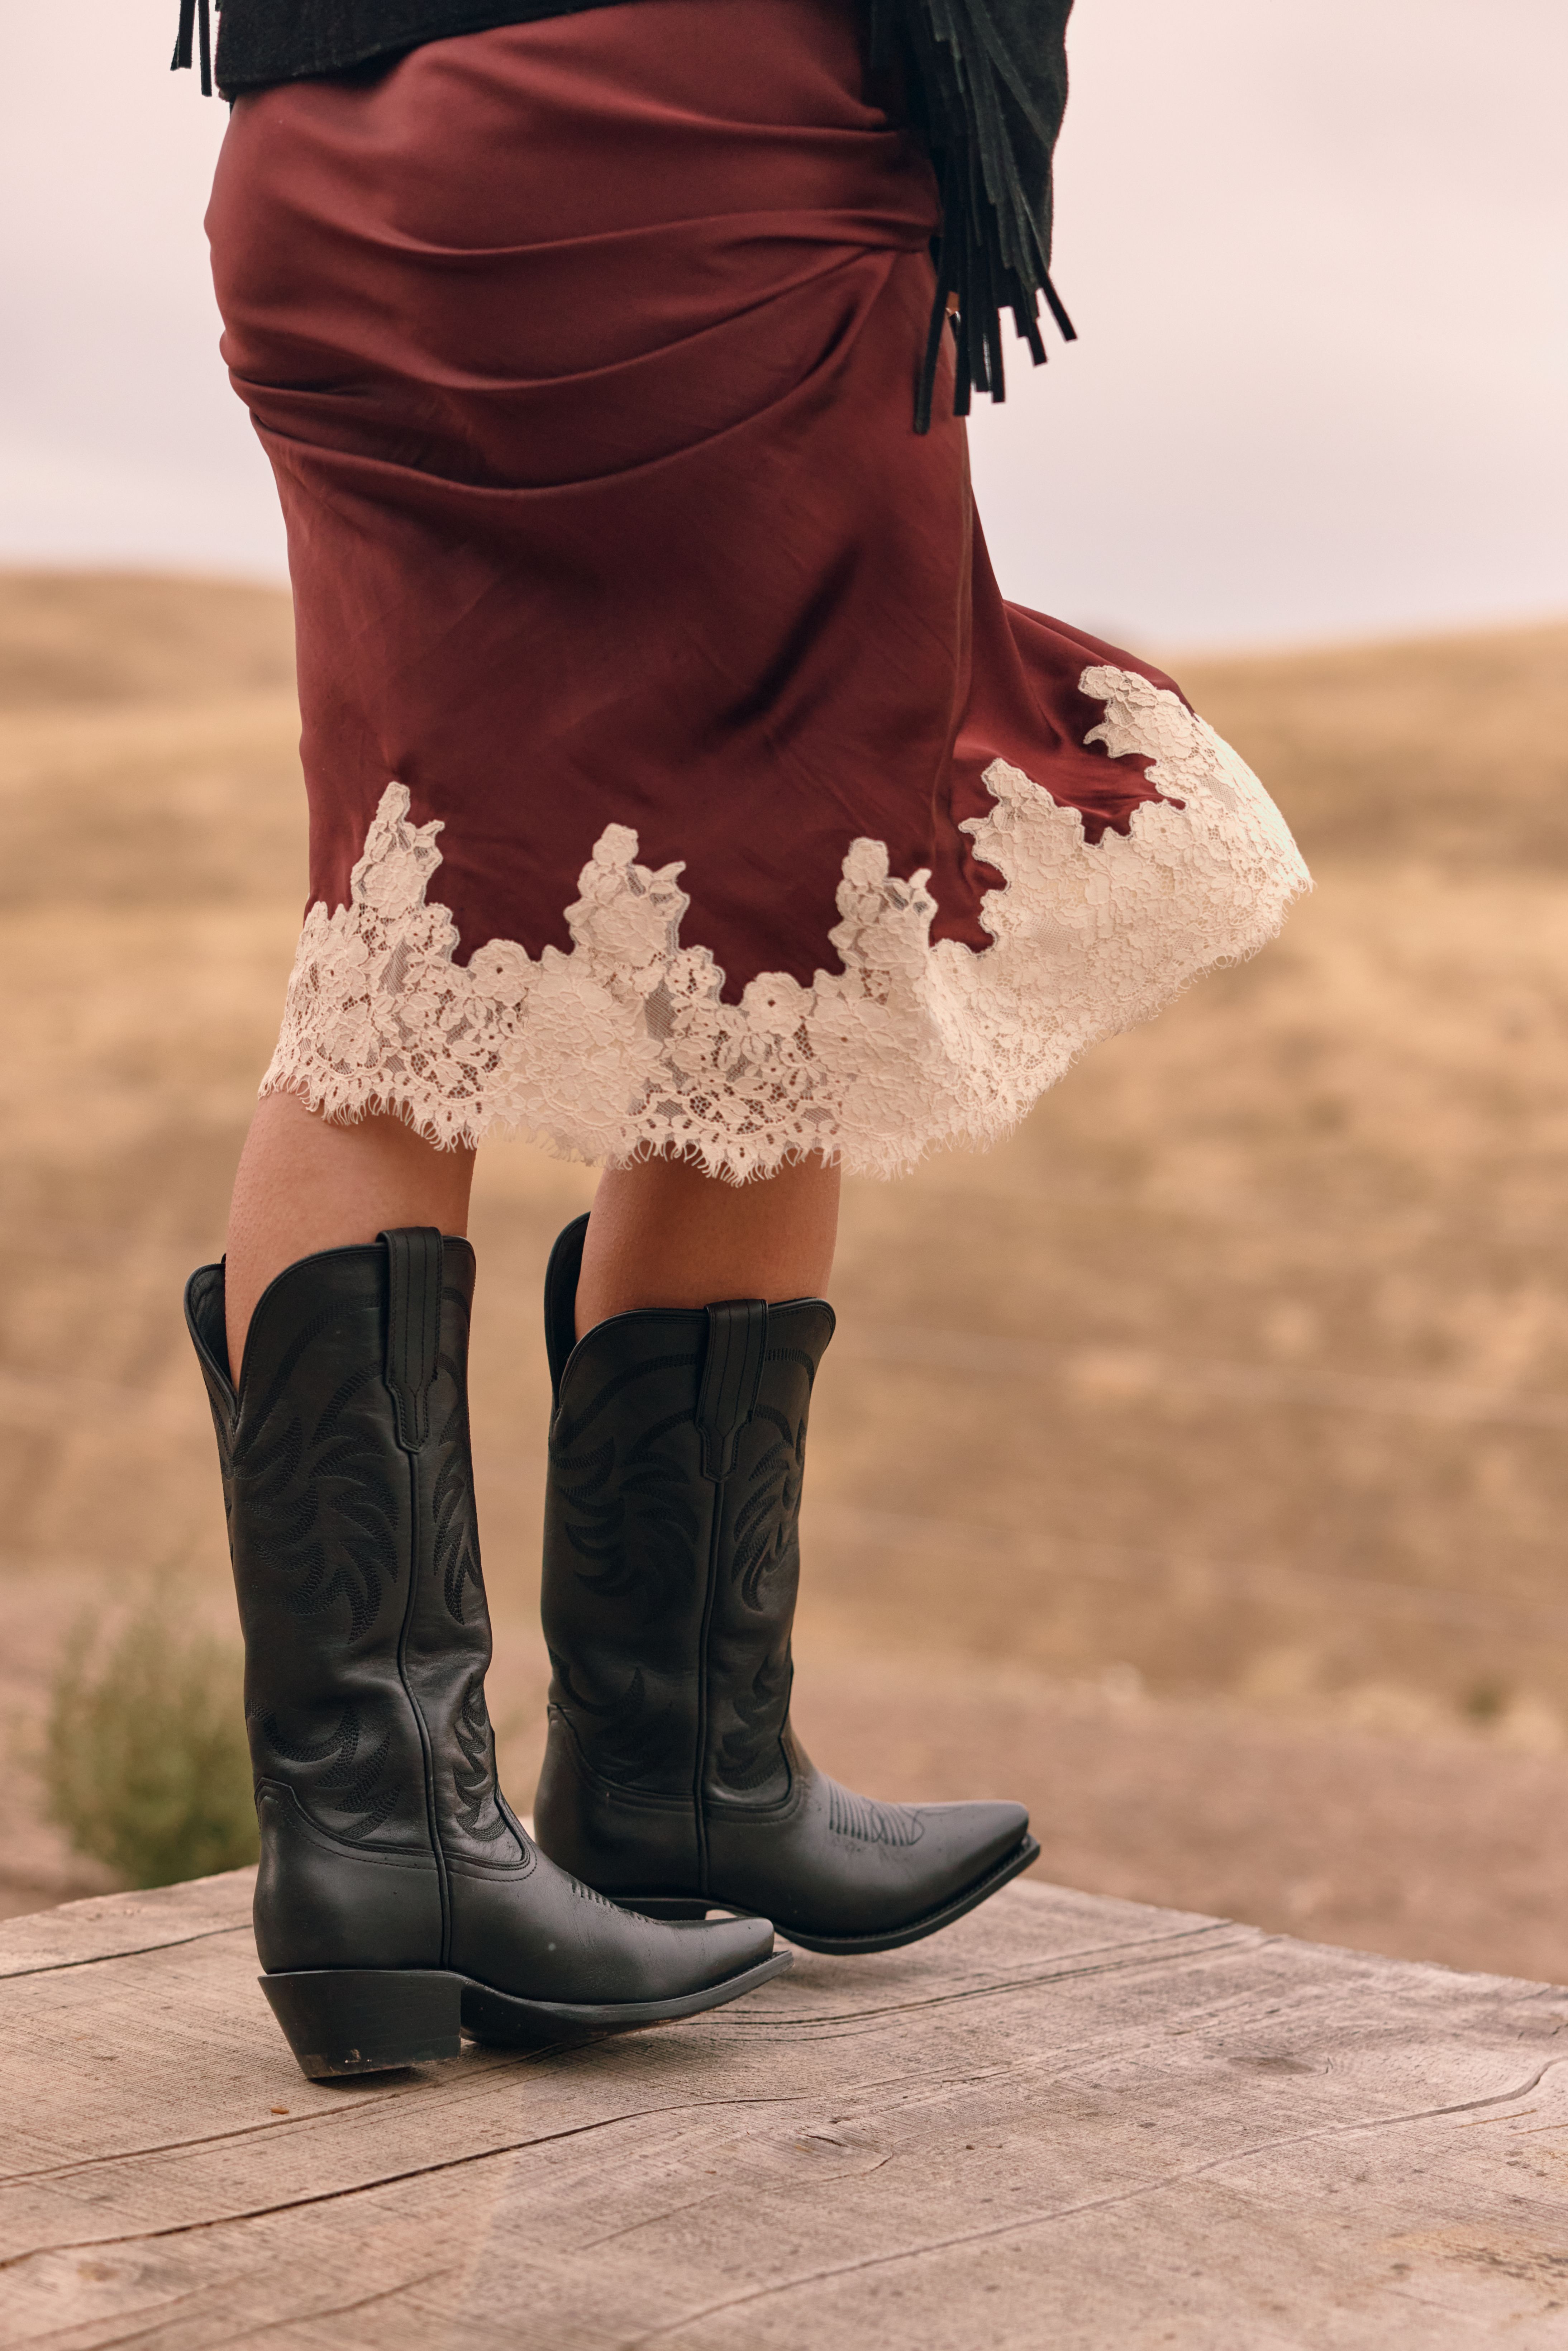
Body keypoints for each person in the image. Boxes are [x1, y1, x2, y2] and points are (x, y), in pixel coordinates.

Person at [176, 0, 1309, 2080]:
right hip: (685, 148)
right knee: (796, 856)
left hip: (333, 180)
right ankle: (658, 1765)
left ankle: (394, 1838)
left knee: (401, 925)